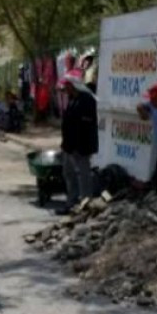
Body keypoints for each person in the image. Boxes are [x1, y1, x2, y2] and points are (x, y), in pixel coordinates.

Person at [57, 76, 98, 214]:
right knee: (68, 173)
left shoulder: (86, 100)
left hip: (81, 146)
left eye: (67, 86)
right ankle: (71, 201)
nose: (65, 89)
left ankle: (85, 203)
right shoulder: (72, 99)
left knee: (83, 175)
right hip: (68, 145)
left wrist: (80, 145)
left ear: (73, 86)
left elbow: (86, 124)